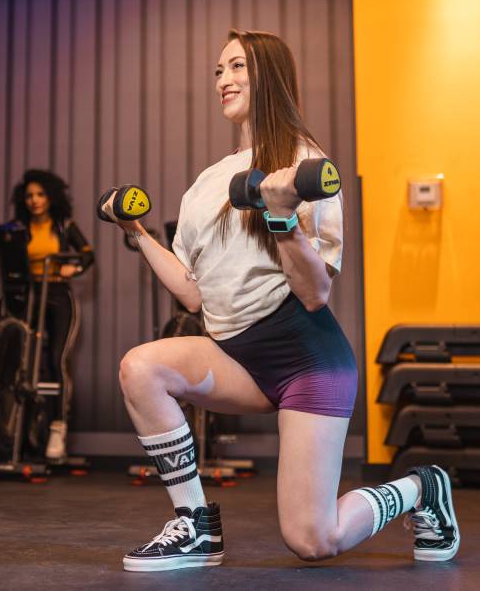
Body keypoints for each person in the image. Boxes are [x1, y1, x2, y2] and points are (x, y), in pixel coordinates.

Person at [105, 30, 459, 572]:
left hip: (306, 360)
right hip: (235, 359)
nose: (223, 80)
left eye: (237, 67)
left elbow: (316, 293)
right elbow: (192, 292)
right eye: (218, 71)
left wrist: (281, 216)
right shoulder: (205, 184)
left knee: (313, 540)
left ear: (268, 75)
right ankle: (197, 526)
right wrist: (137, 232)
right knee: (141, 367)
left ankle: (422, 488)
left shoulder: (303, 164)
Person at [1, 169, 94, 462]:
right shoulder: (18, 227)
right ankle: (20, 429)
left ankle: (58, 429)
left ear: (51, 197)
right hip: (29, 295)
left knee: (56, 360)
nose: (34, 200)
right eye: (29, 196)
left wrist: (74, 268)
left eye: (40, 195)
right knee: (24, 362)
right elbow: (2, 246)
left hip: (57, 295)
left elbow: (87, 254)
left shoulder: (64, 225)